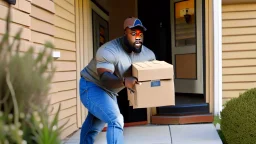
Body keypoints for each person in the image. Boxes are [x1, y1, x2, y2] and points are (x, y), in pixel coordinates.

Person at [79, 17, 156, 144]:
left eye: (140, 34)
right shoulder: (108, 50)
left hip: (111, 91)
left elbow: (155, 74)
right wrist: (125, 81)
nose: (138, 37)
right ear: (125, 33)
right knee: (115, 119)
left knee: (95, 124)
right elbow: (105, 78)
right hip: (91, 86)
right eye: (133, 33)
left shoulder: (148, 55)